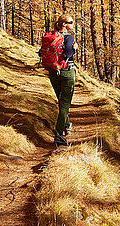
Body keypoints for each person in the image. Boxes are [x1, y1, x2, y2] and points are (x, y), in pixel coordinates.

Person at [48, 14, 78, 146]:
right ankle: (59, 134)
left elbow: (41, 52)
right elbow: (68, 53)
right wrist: (74, 48)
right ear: (64, 24)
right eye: (70, 22)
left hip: (53, 72)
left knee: (61, 101)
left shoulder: (50, 36)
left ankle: (66, 125)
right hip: (67, 72)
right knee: (65, 104)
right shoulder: (69, 37)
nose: (72, 24)